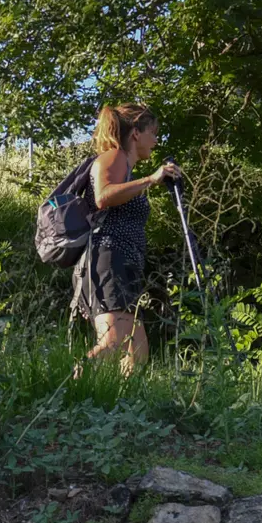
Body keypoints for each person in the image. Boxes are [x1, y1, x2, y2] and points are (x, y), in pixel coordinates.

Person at [75, 104, 182, 374]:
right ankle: (64, 397)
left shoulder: (126, 166)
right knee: (113, 342)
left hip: (120, 261)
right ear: (136, 133)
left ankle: (120, 412)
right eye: (153, 132)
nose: (156, 140)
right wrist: (152, 179)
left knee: (137, 351)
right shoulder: (115, 157)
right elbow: (103, 195)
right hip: (109, 259)